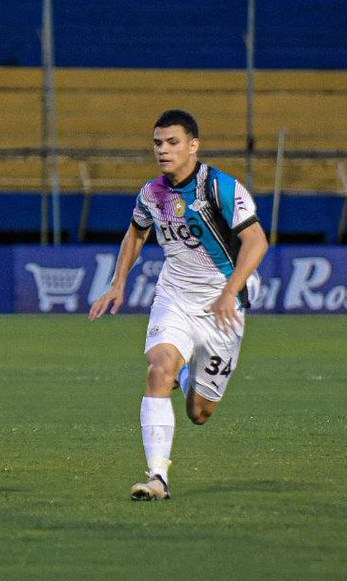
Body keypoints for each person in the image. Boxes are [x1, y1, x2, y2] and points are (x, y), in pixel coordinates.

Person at [88, 109, 268, 501]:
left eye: (172, 142)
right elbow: (135, 234)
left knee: (199, 413)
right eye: (157, 143)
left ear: (193, 145)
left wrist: (228, 291)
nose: (163, 151)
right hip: (175, 296)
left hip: (223, 305)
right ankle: (157, 477)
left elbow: (256, 242)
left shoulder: (219, 186)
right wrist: (118, 282)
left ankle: (187, 378)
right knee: (158, 368)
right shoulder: (151, 193)